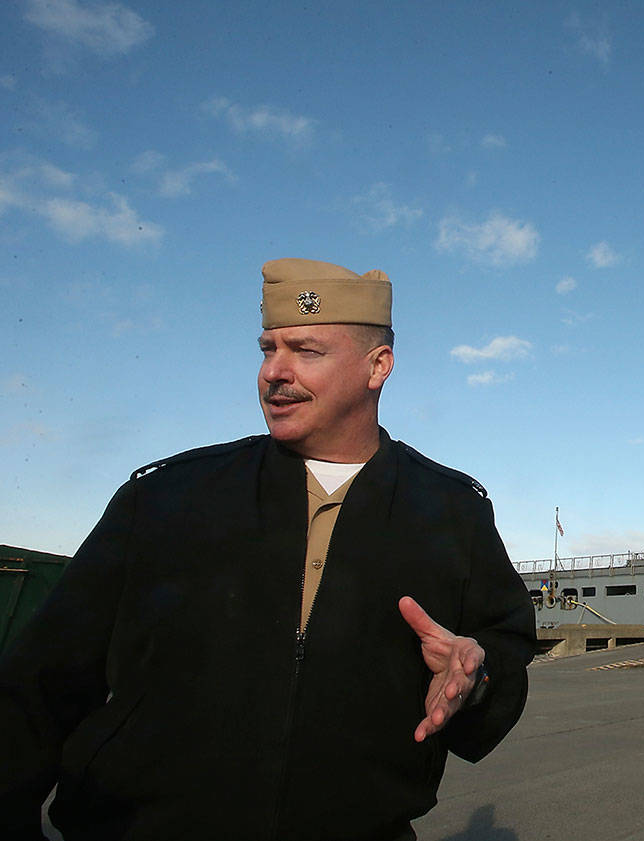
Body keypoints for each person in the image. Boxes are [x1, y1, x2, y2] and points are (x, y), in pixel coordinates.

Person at [0, 258, 537, 841]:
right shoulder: (167, 497)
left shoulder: (451, 511)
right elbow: (39, 683)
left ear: (377, 366)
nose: (274, 372)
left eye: (306, 351)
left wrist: (475, 680)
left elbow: (503, 647)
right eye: (267, 349)